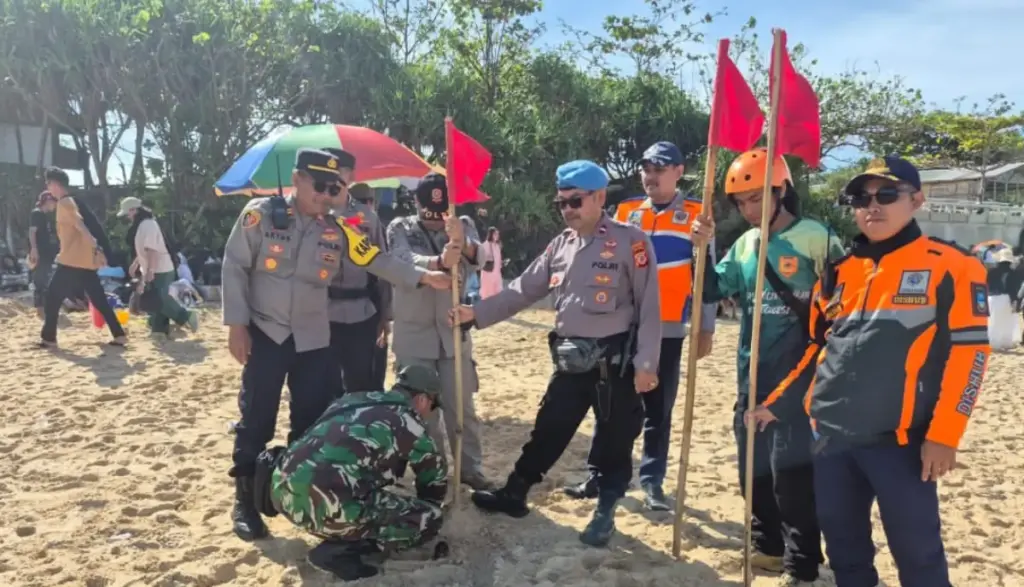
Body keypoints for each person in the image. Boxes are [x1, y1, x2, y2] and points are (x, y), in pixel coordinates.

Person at [747, 156, 992, 587]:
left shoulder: (952, 265)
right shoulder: (839, 273)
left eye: (887, 194)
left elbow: (971, 356)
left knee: (918, 558)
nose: (872, 206)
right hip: (831, 440)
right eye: (861, 198)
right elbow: (817, 349)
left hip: (902, 445)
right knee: (846, 556)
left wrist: (945, 435)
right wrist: (778, 403)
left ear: (917, 200)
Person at [221, 148, 451, 542]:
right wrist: (236, 325)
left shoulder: (338, 228)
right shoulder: (262, 215)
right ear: (297, 179)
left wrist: (423, 277)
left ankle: (297, 493)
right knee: (256, 418)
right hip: (267, 333)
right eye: (320, 186)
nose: (327, 196)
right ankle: (245, 502)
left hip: (314, 338)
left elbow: (376, 260)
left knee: (311, 419)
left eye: (335, 188)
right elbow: (235, 266)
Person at [450, 160, 661, 547]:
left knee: (615, 441)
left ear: (599, 197)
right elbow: (522, 290)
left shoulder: (631, 241)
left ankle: (605, 512)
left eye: (575, 201)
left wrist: (647, 364)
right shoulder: (560, 245)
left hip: (614, 365)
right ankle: (515, 493)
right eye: (561, 202)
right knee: (548, 429)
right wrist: (475, 314)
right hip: (570, 361)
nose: (567, 210)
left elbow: (650, 306)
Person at [690, 148, 841, 585]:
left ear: (781, 191)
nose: (748, 209)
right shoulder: (745, 245)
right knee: (751, 473)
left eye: (756, 197)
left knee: (790, 478)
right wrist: (700, 249)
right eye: (741, 202)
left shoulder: (817, 238)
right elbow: (711, 290)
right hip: (751, 376)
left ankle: (801, 564)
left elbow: (841, 310)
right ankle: (768, 548)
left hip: (798, 383)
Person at [563, 141, 717, 511]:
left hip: (668, 327)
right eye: (646, 169)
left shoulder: (697, 216)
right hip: (622, 327)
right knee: (610, 405)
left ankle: (651, 483)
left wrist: (706, 327)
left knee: (657, 411)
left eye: (659, 169)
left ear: (679, 172)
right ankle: (599, 475)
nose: (651, 176)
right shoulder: (626, 211)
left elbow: (707, 277)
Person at [255, 364, 448, 581]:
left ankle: (339, 530)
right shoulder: (409, 423)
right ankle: (339, 551)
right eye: (432, 405)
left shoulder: (353, 399)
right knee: (429, 519)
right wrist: (428, 506)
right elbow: (434, 477)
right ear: (422, 399)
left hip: (282, 493)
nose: (430, 412)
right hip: (323, 505)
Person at [386, 173, 493, 491]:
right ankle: (432, 473)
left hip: (453, 334)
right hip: (414, 335)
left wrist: (463, 242)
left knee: (462, 409)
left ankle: (470, 469)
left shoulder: (463, 223)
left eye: (441, 213)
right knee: (423, 413)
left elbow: (482, 259)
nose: (435, 221)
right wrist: (437, 261)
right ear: (416, 202)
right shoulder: (400, 227)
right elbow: (400, 260)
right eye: (429, 213)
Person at [321, 149, 393, 394]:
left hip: (361, 313)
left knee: (361, 385)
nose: (333, 177)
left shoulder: (367, 218)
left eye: (339, 171)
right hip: (320, 313)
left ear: (351, 176)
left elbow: (384, 268)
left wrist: (385, 315)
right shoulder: (313, 214)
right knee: (323, 387)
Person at [38, 167, 127, 348]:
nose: (47, 187)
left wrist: (95, 245)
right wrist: (95, 248)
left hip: (72, 260)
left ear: (55, 184)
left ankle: (49, 338)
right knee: (99, 299)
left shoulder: (65, 203)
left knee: (53, 296)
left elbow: (80, 225)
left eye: (48, 183)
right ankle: (119, 334)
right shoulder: (69, 201)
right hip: (82, 260)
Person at [118, 196, 199, 337]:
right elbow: (145, 249)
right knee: (155, 299)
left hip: (161, 268)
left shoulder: (148, 225)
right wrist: (136, 263)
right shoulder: (144, 224)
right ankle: (159, 329)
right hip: (155, 267)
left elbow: (152, 250)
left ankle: (186, 316)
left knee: (161, 299)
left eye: (128, 213)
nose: (127, 217)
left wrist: (150, 270)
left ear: (133, 210)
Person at [28, 191, 58, 318]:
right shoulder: (37, 213)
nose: (55, 205)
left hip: (46, 253)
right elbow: (32, 232)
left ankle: (44, 308)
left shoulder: (45, 216)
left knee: (45, 280)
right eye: (54, 201)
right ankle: (40, 310)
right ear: (47, 200)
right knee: (40, 281)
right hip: (40, 252)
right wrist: (34, 249)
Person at [479, 227, 503, 298]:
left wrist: (502, 263)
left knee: (497, 292)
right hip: (488, 273)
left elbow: (498, 259)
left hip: (497, 273)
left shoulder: (497, 246)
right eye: (495, 234)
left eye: (497, 234)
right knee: (487, 293)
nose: (497, 236)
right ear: (491, 234)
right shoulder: (484, 245)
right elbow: (480, 259)